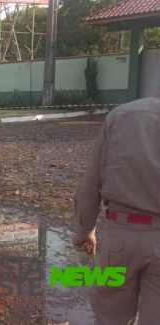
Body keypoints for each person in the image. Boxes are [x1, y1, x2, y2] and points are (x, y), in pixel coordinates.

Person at [73, 90, 160, 325]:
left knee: (110, 318)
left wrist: (85, 229)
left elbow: (92, 181)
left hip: (121, 238)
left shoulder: (122, 115)